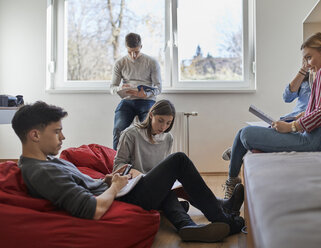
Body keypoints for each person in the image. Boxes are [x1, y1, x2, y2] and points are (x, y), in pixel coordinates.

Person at [12, 101, 245, 243]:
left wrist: (108, 180)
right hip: (120, 198)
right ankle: (225, 219)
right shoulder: (41, 171)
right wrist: (115, 186)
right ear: (35, 135)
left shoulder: (48, 162)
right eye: (57, 131)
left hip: (118, 189)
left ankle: (187, 226)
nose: (63, 137)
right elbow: (91, 209)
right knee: (179, 161)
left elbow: (84, 185)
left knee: (163, 181)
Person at [222, 32, 321, 198]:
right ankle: (233, 183)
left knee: (246, 134)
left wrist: (291, 127)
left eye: (309, 57)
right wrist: (301, 117)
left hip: (320, 138)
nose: (308, 64)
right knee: (242, 134)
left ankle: (231, 187)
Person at [221, 60, 312, 162]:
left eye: (309, 57)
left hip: (302, 122)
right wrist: (303, 70)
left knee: (252, 134)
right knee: (260, 129)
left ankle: (240, 150)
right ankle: (243, 151)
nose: (307, 60)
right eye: (305, 57)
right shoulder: (306, 78)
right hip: (289, 118)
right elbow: (287, 97)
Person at [111, 32, 162, 150]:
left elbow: (159, 88)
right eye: (130, 52)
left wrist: (147, 93)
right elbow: (112, 87)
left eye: (136, 52)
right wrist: (120, 89)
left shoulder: (151, 62)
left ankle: (148, 163)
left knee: (148, 130)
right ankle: (115, 163)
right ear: (126, 48)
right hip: (127, 101)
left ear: (141, 47)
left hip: (147, 101)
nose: (133, 55)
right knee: (118, 129)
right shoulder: (120, 63)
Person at [113, 99, 175, 174]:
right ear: (151, 115)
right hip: (137, 180)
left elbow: (164, 167)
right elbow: (117, 165)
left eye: (168, 123)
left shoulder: (168, 138)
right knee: (180, 157)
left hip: (157, 180)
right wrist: (132, 171)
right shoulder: (130, 134)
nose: (163, 127)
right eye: (160, 121)